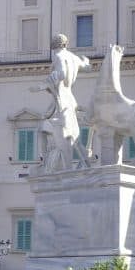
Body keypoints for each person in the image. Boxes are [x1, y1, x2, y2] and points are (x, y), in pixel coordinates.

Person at [33, 33, 91, 169]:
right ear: (65, 44)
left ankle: (46, 161)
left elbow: (62, 73)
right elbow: (87, 67)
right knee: (74, 136)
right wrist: (85, 61)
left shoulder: (58, 56)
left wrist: (47, 83)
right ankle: (86, 164)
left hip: (61, 101)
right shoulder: (73, 57)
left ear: (53, 46)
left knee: (43, 128)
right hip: (70, 100)